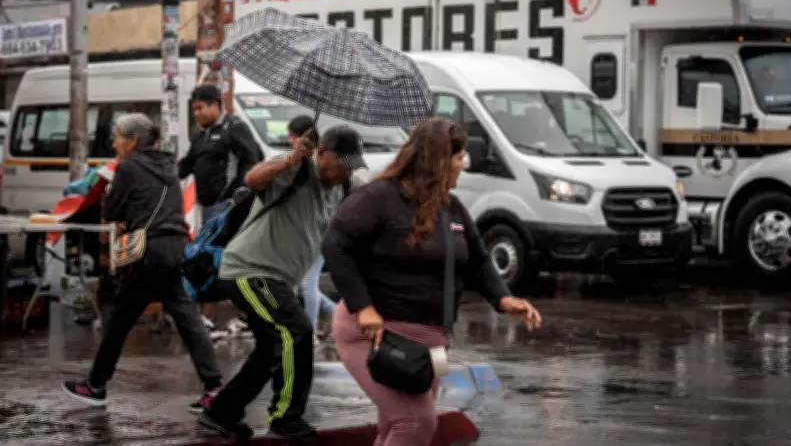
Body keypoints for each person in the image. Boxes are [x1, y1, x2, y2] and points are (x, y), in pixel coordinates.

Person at [322, 117, 543, 446]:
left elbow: (479, 260)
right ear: (437, 160)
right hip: (378, 335)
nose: (463, 165)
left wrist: (503, 299)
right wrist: (363, 307)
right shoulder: (378, 198)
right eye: (458, 157)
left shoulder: (450, 208)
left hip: (434, 344)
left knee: (395, 425)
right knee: (414, 422)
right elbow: (335, 246)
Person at [199, 125, 367, 439]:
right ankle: (285, 418)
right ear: (321, 153)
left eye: (352, 167)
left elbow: (376, 192)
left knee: (270, 349)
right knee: (297, 330)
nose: (345, 173)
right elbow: (252, 179)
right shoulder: (296, 171)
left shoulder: (346, 186)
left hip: (278, 279)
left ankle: (221, 413)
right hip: (250, 270)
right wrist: (292, 157)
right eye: (341, 164)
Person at [62, 113, 224, 413]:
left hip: (146, 253)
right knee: (188, 318)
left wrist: (118, 207)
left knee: (119, 319)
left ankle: (95, 385)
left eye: (118, 137)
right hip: (176, 249)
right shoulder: (168, 166)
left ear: (133, 140)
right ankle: (214, 386)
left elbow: (112, 210)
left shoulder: (128, 166)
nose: (114, 144)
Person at [179, 85, 262, 336]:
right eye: (194, 109)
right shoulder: (201, 134)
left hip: (228, 208)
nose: (197, 113)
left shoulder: (234, 128)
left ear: (217, 105)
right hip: (208, 208)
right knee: (208, 260)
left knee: (230, 261)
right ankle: (208, 317)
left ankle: (245, 316)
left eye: (200, 108)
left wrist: (235, 196)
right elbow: (187, 164)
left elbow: (253, 160)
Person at [288, 115, 337, 341]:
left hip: (318, 234)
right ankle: (340, 316)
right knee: (302, 284)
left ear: (302, 138)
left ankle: (309, 334)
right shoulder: (308, 164)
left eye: (292, 137)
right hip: (308, 234)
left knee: (307, 284)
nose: (289, 142)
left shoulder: (319, 166)